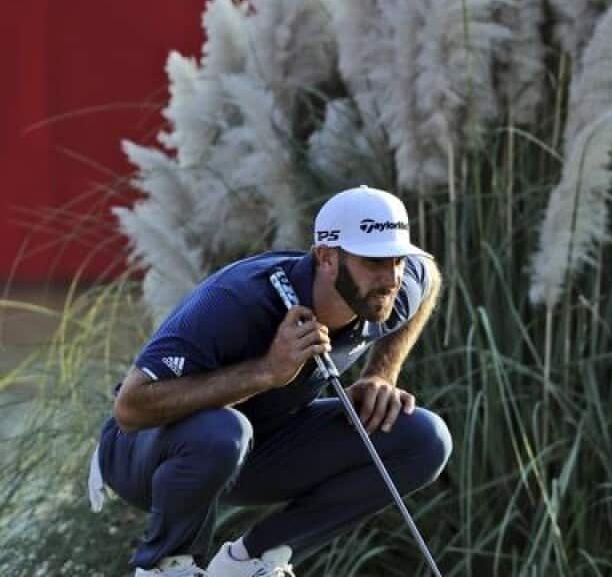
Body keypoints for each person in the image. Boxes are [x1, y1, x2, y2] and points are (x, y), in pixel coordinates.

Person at [90, 186, 453, 577]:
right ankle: (169, 565)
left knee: (424, 437)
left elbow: (427, 274)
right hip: (147, 456)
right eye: (374, 261)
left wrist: (382, 372)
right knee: (223, 430)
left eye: (397, 259)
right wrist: (265, 372)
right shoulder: (236, 299)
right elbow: (131, 408)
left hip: (259, 451)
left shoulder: (388, 292)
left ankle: (252, 561)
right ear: (327, 258)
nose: (391, 277)